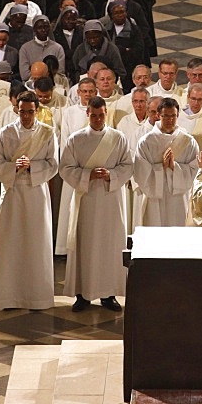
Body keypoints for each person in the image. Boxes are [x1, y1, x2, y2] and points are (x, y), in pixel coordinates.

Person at [60, 96, 133, 313]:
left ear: (106, 113)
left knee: (109, 246)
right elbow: (65, 168)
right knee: (86, 245)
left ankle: (108, 294)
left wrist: (111, 174)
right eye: (94, 115)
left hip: (111, 201)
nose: (98, 119)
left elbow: (128, 166)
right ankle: (83, 295)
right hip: (87, 200)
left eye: (101, 115)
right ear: (87, 114)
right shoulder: (76, 139)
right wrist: (87, 175)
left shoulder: (118, 138)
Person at [0, 91, 58, 310]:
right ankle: (8, 297)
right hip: (13, 192)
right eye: (22, 111)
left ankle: (37, 297)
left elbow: (54, 163)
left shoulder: (47, 133)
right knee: (11, 242)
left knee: (36, 243)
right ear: (16, 110)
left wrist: (33, 167)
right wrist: (14, 167)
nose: (26, 116)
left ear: (36, 111)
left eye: (30, 112)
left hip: (36, 193)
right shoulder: (6, 133)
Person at [133, 97, 198, 225]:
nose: (170, 120)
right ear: (158, 115)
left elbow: (195, 170)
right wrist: (161, 167)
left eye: (173, 116)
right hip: (155, 198)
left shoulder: (188, 141)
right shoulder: (147, 142)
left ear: (178, 115)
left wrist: (175, 167)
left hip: (179, 198)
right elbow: (140, 172)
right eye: (166, 116)